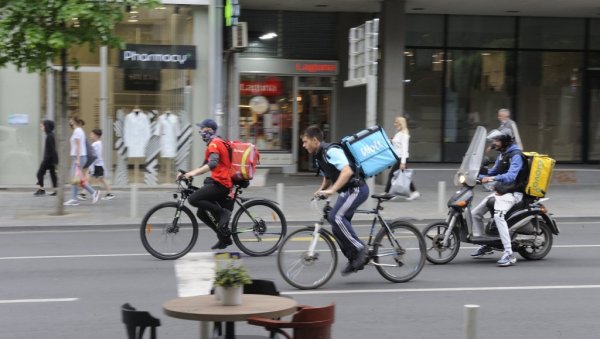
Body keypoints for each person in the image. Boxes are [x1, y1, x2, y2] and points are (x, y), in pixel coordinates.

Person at [301, 124, 369, 276]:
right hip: (347, 191)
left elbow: (347, 171)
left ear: (315, 140)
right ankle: (354, 260)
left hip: (356, 189)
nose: (303, 145)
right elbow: (328, 175)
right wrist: (321, 190)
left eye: (305, 142)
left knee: (336, 217)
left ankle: (361, 249)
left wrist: (331, 190)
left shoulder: (331, 151)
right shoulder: (319, 156)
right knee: (335, 225)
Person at [470, 128, 528, 267]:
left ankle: (509, 254)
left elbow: (511, 176)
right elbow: (493, 171)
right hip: (502, 191)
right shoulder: (503, 155)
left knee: (498, 216)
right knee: (475, 214)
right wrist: (476, 175)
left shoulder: (516, 155)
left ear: (505, 141)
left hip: (513, 193)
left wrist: (491, 178)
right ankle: (487, 244)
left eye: (497, 140)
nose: (495, 143)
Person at [177, 119, 234, 250]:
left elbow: (212, 164)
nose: (200, 132)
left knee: (192, 199)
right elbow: (202, 166)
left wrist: (192, 174)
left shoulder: (214, 144)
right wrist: (187, 173)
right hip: (219, 182)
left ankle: (222, 213)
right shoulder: (214, 143)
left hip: (222, 185)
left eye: (202, 129)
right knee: (201, 213)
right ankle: (223, 238)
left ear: (209, 130)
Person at [64, 117, 100, 206]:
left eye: (71, 120)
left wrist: (78, 160)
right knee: (77, 179)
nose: (69, 122)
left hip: (78, 157)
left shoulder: (77, 131)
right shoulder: (80, 130)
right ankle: (90, 193)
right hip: (79, 157)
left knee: (75, 179)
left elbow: (78, 146)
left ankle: (76, 198)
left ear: (74, 121)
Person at [384, 116, 420, 200]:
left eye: (396, 122)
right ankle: (414, 192)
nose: (394, 124)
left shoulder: (404, 134)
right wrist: (390, 140)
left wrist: (403, 162)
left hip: (401, 158)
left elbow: (404, 149)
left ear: (401, 124)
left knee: (392, 175)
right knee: (404, 175)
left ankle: (387, 193)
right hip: (398, 158)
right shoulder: (399, 133)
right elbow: (396, 143)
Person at [88, 129, 115, 200]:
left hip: (97, 165)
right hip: (97, 164)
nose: (90, 135)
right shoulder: (99, 143)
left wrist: (91, 166)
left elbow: (94, 155)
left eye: (92, 134)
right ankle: (83, 193)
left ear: (96, 135)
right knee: (98, 179)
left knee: (101, 179)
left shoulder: (95, 144)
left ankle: (109, 193)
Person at [34, 120, 58, 196]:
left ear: (46, 126)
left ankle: (42, 189)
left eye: (42, 126)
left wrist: (53, 160)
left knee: (39, 173)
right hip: (50, 160)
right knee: (53, 175)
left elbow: (52, 149)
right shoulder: (50, 135)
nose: (41, 128)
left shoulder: (49, 136)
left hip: (48, 160)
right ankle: (56, 190)